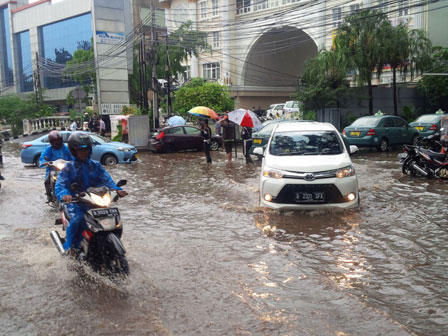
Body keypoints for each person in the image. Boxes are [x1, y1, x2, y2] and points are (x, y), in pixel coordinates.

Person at [55, 132, 128, 253]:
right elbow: (61, 184)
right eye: (80, 149)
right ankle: (71, 248)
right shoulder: (68, 168)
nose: (84, 152)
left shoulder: (96, 165)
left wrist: (118, 190)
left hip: (96, 201)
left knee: (114, 218)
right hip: (76, 203)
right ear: (73, 150)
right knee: (77, 220)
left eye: (86, 149)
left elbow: (107, 180)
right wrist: (64, 194)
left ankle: (111, 242)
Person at [39, 130, 73, 203]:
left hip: (65, 169)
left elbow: (73, 157)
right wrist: (45, 163)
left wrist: (73, 162)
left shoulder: (66, 148)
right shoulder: (49, 149)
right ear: (51, 142)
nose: (57, 143)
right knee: (46, 181)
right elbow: (42, 158)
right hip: (52, 170)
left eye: (58, 141)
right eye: (55, 141)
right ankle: (49, 196)